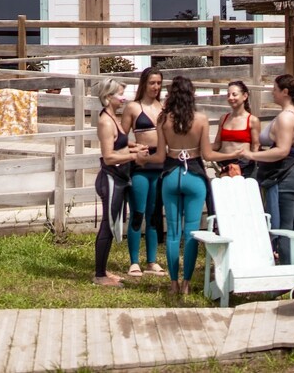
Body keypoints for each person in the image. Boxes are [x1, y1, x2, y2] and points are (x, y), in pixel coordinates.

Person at [147, 76, 240, 296]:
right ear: (192, 95)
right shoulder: (200, 119)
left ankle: (173, 284)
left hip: (170, 175)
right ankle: (187, 284)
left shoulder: (163, 119)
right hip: (194, 176)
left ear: (171, 95)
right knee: (191, 232)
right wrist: (233, 153)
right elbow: (207, 154)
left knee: (172, 233)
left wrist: (142, 160)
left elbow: (160, 156)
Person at [242, 74, 294, 265]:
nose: (272, 92)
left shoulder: (286, 118)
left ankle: (289, 279)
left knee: (284, 230)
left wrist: (252, 155)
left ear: (285, 92)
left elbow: (282, 150)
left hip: (285, 177)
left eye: (274, 89)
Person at [91, 78, 148, 287]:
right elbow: (108, 157)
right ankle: (99, 276)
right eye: (120, 94)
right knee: (107, 225)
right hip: (110, 179)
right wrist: (134, 157)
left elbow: (120, 143)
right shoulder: (106, 121)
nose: (124, 98)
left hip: (120, 179)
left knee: (113, 224)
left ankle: (103, 270)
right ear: (108, 97)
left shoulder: (114, 118)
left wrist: (134, 147)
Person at [119, 67, 167, 278]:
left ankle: (152, 261)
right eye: (151, 83)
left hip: (160, 165)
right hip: (140, 165)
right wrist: (135, 148)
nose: (155, 87)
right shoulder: (133, 107)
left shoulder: (164, 108)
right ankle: (134, 261)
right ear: (143, 84)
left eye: (158, 83)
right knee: (138, 213)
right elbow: (119, 139)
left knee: (155, 215)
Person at [213, 80, 259, 178]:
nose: (230, 98)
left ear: (245, 96)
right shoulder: (223, 118)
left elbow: (255, 146)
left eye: (234, 94)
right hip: (224, 166)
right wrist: (199, 147)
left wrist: (251, 165)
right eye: (228, 95)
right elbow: (217, 144)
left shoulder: (252, 120)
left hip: (244, 167)